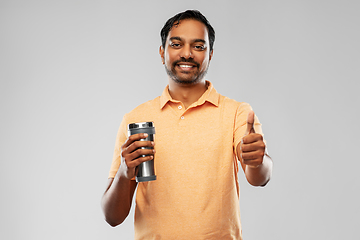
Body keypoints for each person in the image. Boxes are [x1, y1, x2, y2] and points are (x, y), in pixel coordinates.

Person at [101, 10, 273, 240]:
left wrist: (258, 161)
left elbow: (258, 177)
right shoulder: (135, 119)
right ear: (162, 53)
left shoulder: (236, 113)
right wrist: (124, 172)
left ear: (210, 54)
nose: (187, 53)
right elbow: (112, 217)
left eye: (198, 46)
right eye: (176, 44)